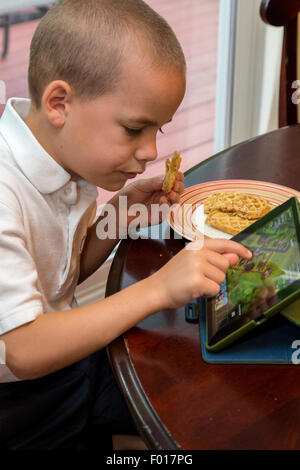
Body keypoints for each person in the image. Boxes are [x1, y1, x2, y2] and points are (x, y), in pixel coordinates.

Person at [0, 0, 252, 450]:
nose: (152, 150)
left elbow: (63, 273)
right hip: (22, 404)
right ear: (60, 103)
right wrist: (157, 289)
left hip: (70, 358)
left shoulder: (66, 154)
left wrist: (121, 215)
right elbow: (22, 347)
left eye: (158, 130)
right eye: (135, 129)